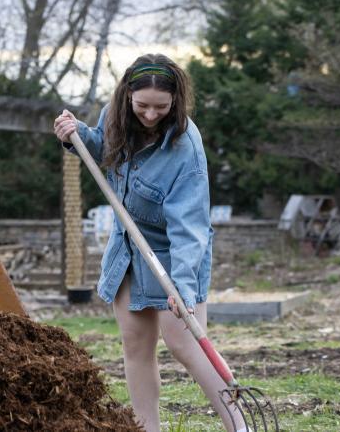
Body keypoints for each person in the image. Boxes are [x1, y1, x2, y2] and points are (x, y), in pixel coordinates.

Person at [53, 54, 246, 432]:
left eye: (161, 107)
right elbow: (102, 150)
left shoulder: (184, 147)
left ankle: (240, 425)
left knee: (185, 345)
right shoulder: (117, 115)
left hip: (174, 253)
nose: (151, 115)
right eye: (142, 105)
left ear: (176, 101)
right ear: (128, 96)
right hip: (127, 248)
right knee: (135, 347)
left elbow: (190, 228)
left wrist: (183, 286)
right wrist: (75, 136)